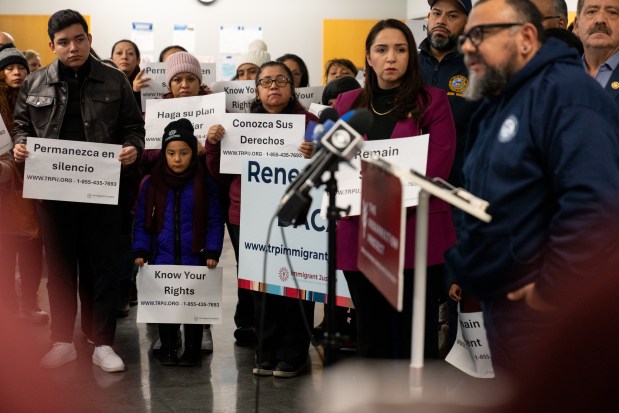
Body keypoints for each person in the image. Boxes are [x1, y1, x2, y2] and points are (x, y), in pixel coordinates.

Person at [445, 0, 619, 376]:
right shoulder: (502, 100)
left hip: (549, 316)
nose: (466, 47)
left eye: (479, 35)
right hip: (503, 308)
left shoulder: (567, 94)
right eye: (465, 38)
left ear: (525, 37)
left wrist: (550, 290)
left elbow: (595, 206)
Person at [12, 9, 145, 373]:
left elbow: (134, 127)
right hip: (53, 193)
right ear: (52, 46)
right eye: (64, 42)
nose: (74, 47)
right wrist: (22, 144)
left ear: (89, 38)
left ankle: (101, 342)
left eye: (80, 39)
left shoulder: (114, 80)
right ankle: (61, 341)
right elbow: (21, 124)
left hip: (100, 190)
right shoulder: (34, 83)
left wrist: (132, 147)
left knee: (102, 267)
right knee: (58, 269)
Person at [334, 19, 457, 360]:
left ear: (411, 57)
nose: (391, 57)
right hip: (360, 232)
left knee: (415, 338)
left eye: (400, 49)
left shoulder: (432, 101)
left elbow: (439, 164)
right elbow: (336, 163)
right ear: (369, 58)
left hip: (415, 232)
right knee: (371, 336)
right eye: (382, 49)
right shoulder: (345, 103)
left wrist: (387, 194)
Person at [207, 61, 318, 377]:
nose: (273, 86)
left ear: (291, 87)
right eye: (266, 81)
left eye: (281, 80)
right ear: (256, 90)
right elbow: (219, 174)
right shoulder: (240, 124)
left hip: (296, 215)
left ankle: (293, 353)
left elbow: (326, 170)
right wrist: (214, 144)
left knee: (295, 281)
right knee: (260, 286)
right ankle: (265, 352)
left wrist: (314, 152)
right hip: (246, 215)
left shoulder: (309, 122)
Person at [133, 118, 224, 366]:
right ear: (164, 153)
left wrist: (213, 250)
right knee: (167, 308)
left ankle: (193, 349)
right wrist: (141, 249)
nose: (177, 158)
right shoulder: (151, 183)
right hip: (161, 256)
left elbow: (215, 219)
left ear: (193, 152)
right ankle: (169, 346)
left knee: (192, 308)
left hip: (195, 256)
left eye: (184, 152)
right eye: (171, 153)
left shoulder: (204, 182)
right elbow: (142, 220)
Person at [419, 0, 478, 354]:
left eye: (453, 14)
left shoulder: (477, 64)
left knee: (457, 279)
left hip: (460, 189)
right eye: (436, 12)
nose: (442, 21)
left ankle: (461, 360)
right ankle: (422, 356)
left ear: (467, 22)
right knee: (421, 283)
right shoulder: (410, 62)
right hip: (413, 191)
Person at [0, 44, 48, 324]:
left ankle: (30, 304)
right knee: (5, 253)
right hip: (5, 188)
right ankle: (7, 309)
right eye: (9, 68)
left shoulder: (38, 100)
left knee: (32, 249)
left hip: (34, 185)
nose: (16, 72)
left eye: (21, 67)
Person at [574, 0, 619, 100]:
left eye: (612, 12)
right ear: (577, 25)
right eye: (591, 12)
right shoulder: (559, 74)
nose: (600, 20)